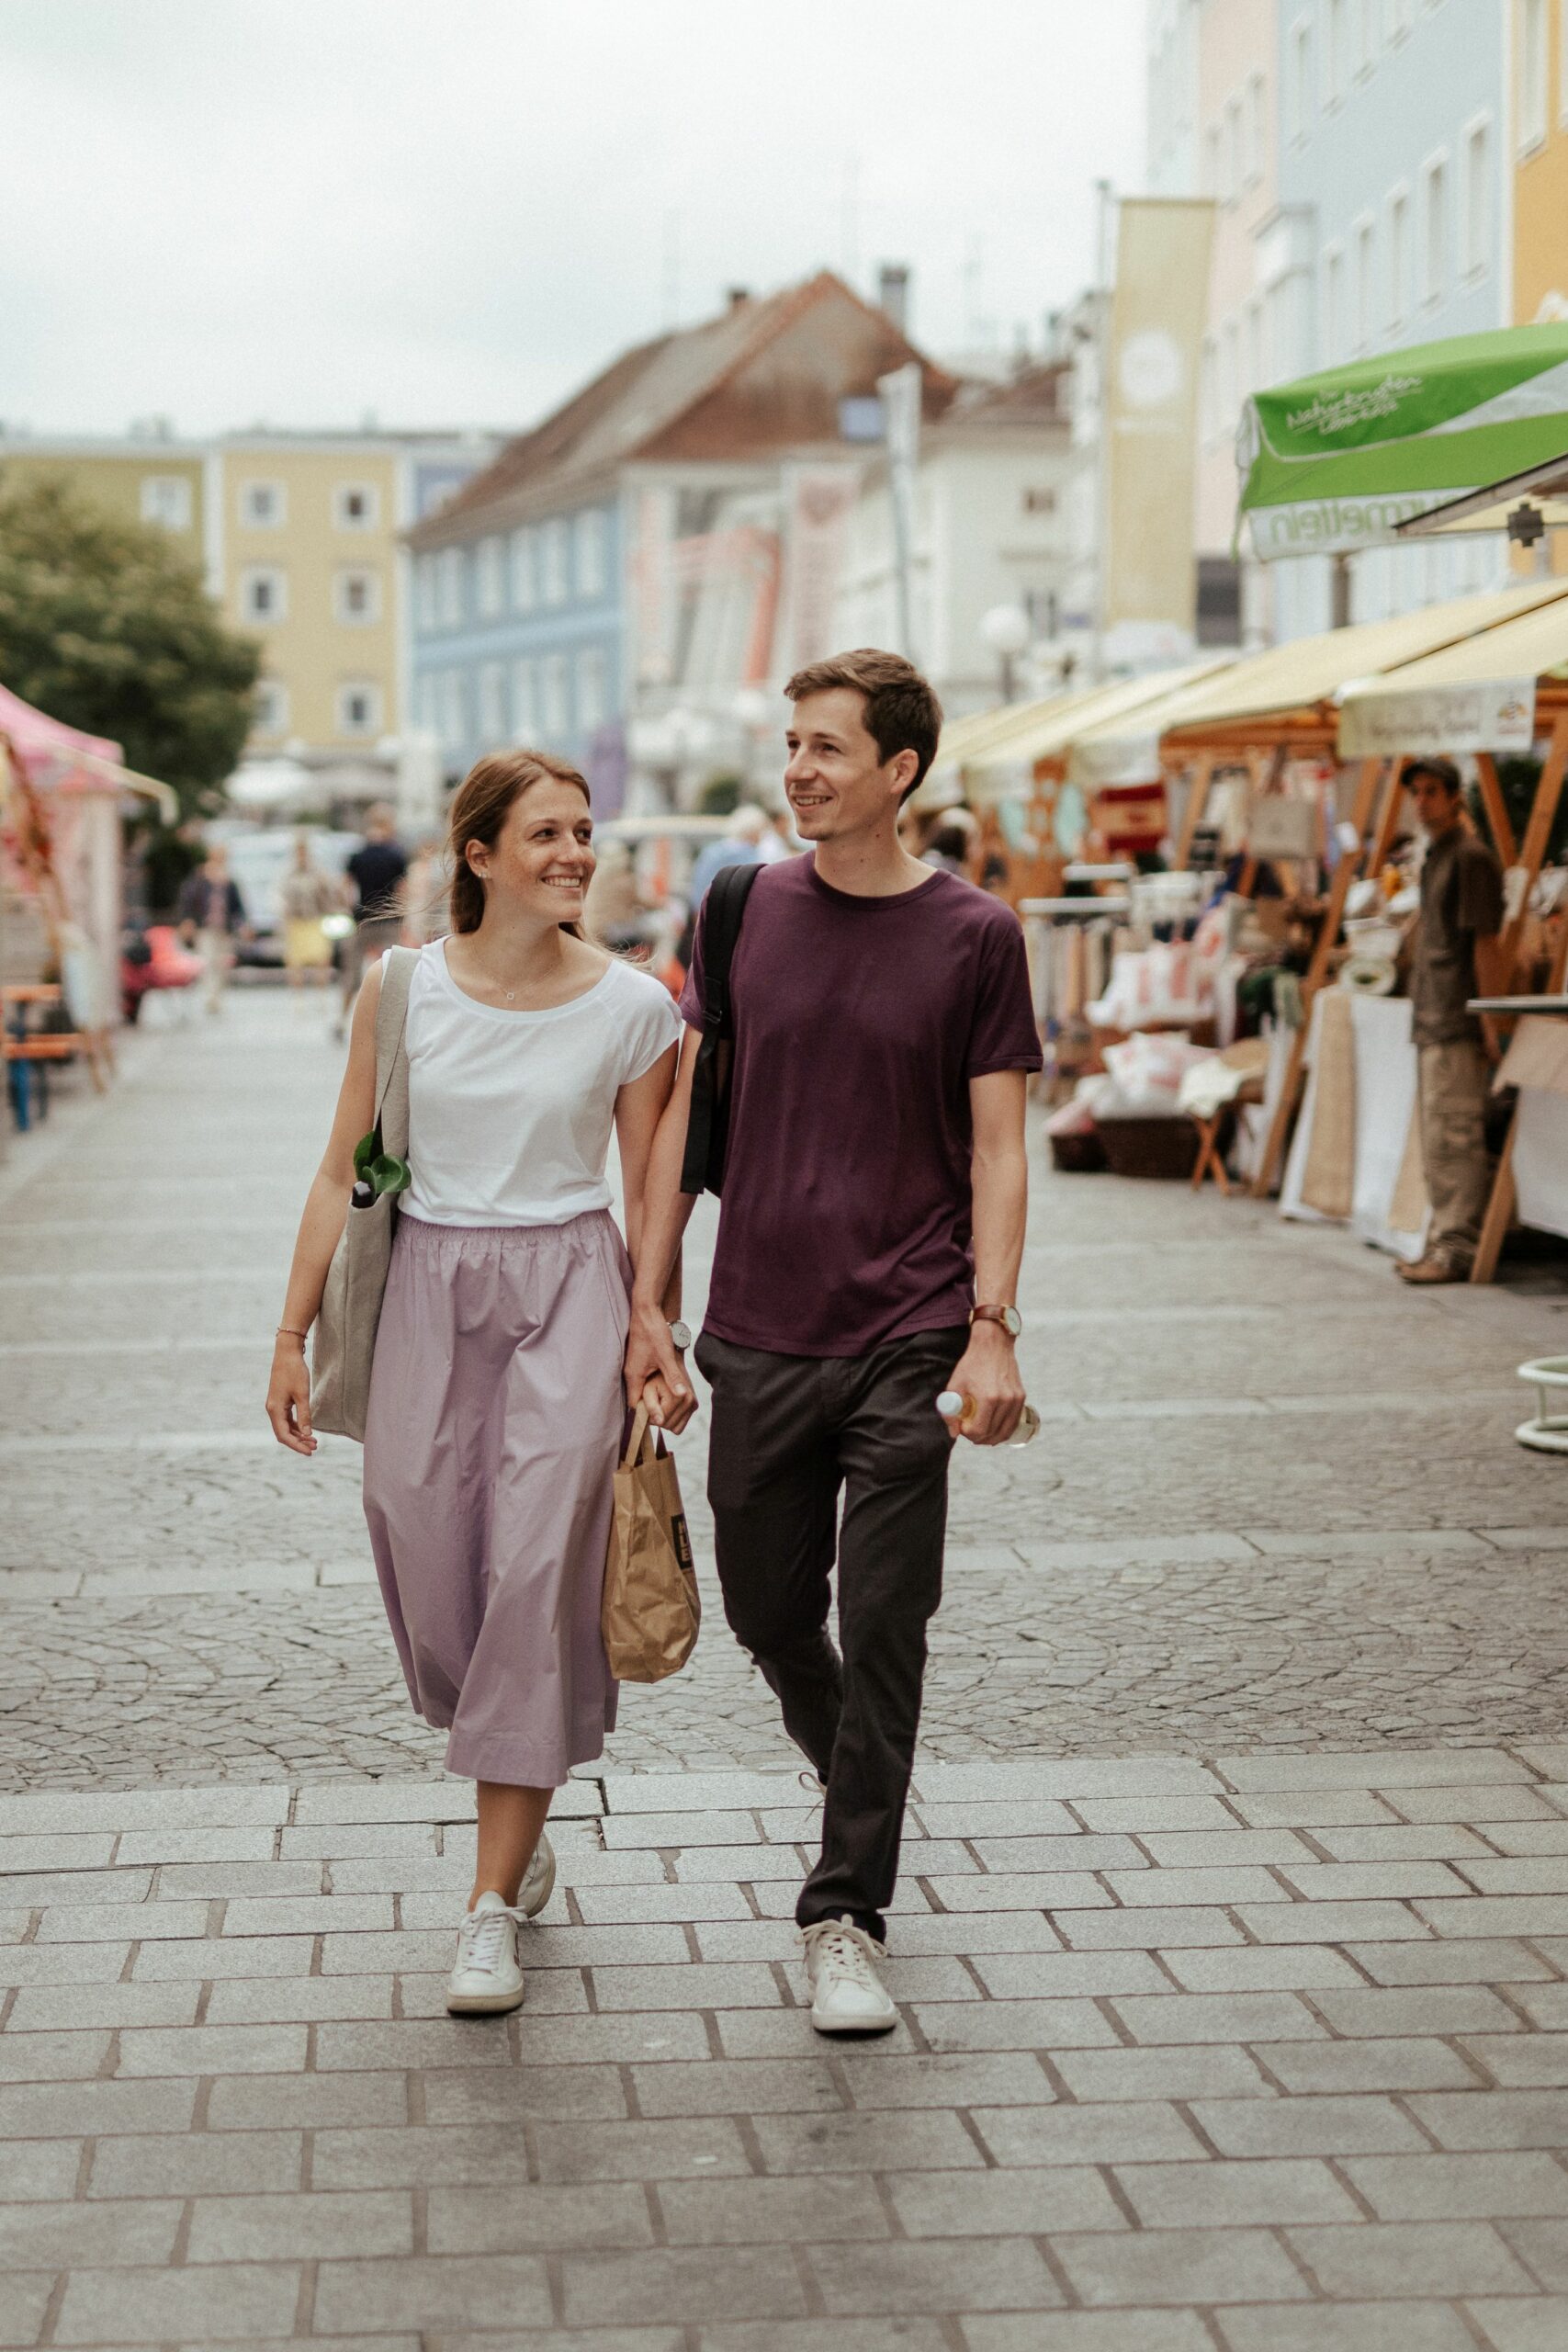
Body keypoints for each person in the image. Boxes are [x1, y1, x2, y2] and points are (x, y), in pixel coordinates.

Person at [625, 648, 1042, 2036]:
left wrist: (989, 1328)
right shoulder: (738, 908)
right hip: (756, 1325)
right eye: (790, 742)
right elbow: (689, 1116)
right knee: (762, 1607)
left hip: (911, 1330)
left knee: (883, 1618)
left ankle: (845, 1907)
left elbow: (997, 1146)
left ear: (899, 771)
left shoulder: (976, 936)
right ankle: (858, 1771)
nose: (796, 767)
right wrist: (649, 1300)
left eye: (825, 748)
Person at [266, 751, 682, 2016]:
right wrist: (288, 1338)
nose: (573, 853)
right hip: (428, 1295)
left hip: (569, 1290)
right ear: (480, 855)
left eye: (583, 831)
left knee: (533, 1579)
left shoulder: (634, 1009)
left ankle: (488, 1901)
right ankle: (521, 1781)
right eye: (545, 833)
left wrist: (649, 1321)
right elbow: (345, 1164)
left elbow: (652, 1184)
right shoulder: (399, 990)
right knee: (427, 1557)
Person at [1398, 756, 1510, 1285]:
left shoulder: (1469, 858)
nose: (1422, 802)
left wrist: (1493, 1022)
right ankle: (1447, 1240)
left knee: (1456, 1138)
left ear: (1453, 795)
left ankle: (1457, 1248)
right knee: (1440, 1139)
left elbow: (1484, 944)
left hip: (1457, 1018)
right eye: (1415, 792)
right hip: (1436, 1015)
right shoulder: (1440, 855)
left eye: (1431, 791)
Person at [339, 804, 409, 1037]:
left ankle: (341, 1019)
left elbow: (346, 886)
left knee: (352, 973)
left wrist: (352, 908)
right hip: (389, 919)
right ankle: (393, 1024)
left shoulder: (357, 855)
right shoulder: (396, 855)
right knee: (393, 972)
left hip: (362, 919)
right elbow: (402, 889)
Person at [177, 843, 246, 1013]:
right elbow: (188, 899)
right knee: (208, 963)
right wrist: (188, 920)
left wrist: (242, 925)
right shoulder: (201, 878)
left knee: (222, 964)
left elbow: (237, 906)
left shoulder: (229, 881)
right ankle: (210, 997)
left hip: (224, 928)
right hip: (205, 928)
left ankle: (217, 996)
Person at [278, 834, 340, 992]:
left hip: (315, 919)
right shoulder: (288, 873)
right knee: (296, 961)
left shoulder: (318, 872)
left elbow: (328, 893)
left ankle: (321, 991)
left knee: (321, 957)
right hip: (296, 921)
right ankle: (298, 995)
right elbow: (281, 896)